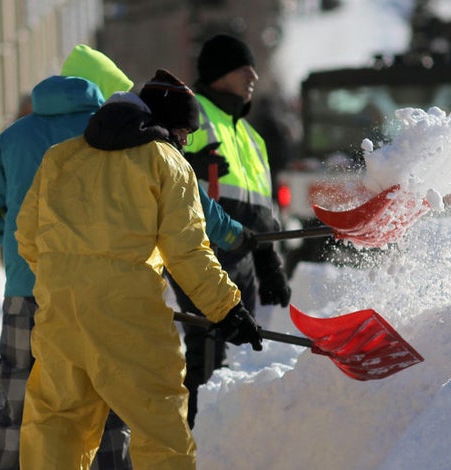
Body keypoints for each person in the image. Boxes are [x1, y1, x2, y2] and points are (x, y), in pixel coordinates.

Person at [16, 70, 263, 469]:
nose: (184, 144)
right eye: (184, 133)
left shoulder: (60, 157)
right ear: (166, 124)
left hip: (61, 315)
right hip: (127, 316)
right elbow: (187, 251)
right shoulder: (164, 162)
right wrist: (227, 309)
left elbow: (27, 236)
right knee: (160, 428)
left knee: (56, 425)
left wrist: (69, 279)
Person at [0, 44, 135, 470]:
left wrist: (17, 250)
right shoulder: (110, 137)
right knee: (104, 399)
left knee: (16, 398)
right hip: (98, 292)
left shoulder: (12, 136)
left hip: (27, 289)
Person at [172, 33, 292, 429]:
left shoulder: (252, 137)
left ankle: (216, 442)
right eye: (244, 68)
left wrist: (270, 262)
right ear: (221, 73)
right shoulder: (192, 111)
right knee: (204, 350)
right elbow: (155, 162)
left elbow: (263, 210)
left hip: (241, 258)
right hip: (202, 252)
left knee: (223, 358)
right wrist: (188, 157)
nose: (254, 75)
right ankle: (195, 445)